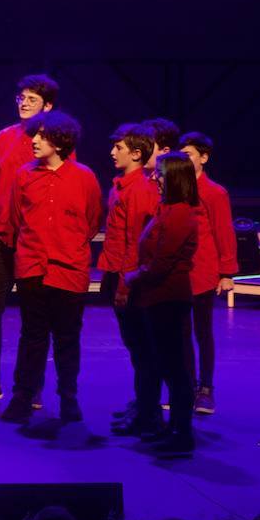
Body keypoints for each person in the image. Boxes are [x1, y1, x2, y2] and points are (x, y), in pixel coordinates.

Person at [1, 111, 102, 425]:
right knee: (32, 336)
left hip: (69, 269)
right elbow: (16, 219)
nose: (34, 141)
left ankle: (68, 399)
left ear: (59, 142)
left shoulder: (84, 177)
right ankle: (22, 398)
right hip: (33, 268)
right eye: (34, 134)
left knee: (67, 338)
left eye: (42, 136)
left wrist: (66, 244)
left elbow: (92, 221)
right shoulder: (24, 176)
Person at [0, 73, 61, 407]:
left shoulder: (55, 140)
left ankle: (30, 383)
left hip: (34, 241)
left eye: (32, 99)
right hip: (1, 235)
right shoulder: (4, 136)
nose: (23, 103)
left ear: (47, 106)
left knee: (34, 315)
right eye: (21, 97)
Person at [123, 153, 200, 457]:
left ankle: (183, 434)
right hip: (157, 297)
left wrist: (133, 277)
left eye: (160, 173)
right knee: (167, 365)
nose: (154, 178)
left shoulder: (180, 214)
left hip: (169, 297)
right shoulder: (166, 210)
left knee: (175, 367)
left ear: (175, 178)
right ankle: (175, 428)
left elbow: (162, 262)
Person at [100, 123, 160, 433]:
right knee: (136, 348)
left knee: (142, 349)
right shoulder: (121, 186)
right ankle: (143, 407)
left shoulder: (140, 190)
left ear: (136, 154)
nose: (112, 152)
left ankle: (148, 414)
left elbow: (135, 243)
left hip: (130, 279)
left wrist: (124, 285)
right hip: (116, 272)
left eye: (119, 148)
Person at [180, 131, 235, 415]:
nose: (184, 159)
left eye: (189, 154)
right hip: (179, 273)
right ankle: (186, 386)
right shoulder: (176, 189)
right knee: (181, 332)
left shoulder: (214, 192)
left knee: (203, 331)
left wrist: (226, 272)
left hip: (203, 272)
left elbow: (224, 232)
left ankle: (206, 389)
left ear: (203, 158)